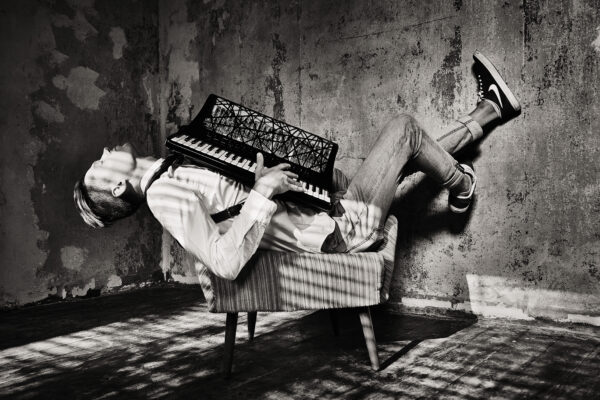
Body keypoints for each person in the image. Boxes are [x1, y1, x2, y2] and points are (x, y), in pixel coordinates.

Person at [74, 51, 520, 280]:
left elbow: (227, 204)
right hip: (338, 233)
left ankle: (491, 110)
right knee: (403, 130)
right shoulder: (163, 195)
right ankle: (462, 185)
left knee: (400, 155)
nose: (103, 152)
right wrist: (262, 191)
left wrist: (259, 179)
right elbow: (223, 262)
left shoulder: (172, 169)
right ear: (117, 188)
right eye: (99, 166)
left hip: (322, 207)